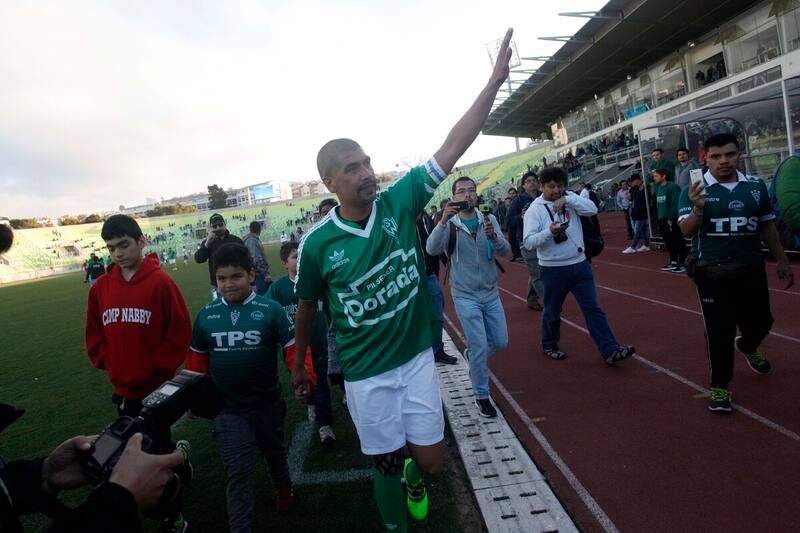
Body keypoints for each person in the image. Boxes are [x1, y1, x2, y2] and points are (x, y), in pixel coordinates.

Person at [292, 28, 514, 533]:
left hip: (414, 357)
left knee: (431, 461)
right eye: (353, 168)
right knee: (384, 464)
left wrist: (493, 83)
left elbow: (454, 145)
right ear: (331, 183)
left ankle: (415, 473)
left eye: (368, 162)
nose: (368, 172)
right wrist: (301, 364)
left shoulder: (401, 199)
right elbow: (307, 307)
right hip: (366, 371)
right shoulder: (318, 245)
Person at [185, 243, 313, 532]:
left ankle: (283, 491)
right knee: (238, 471)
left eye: (236, 276)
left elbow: (294, 349)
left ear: (251, 274)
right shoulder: (206, 316)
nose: (229, 284)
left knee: (275, 453)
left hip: (267, 403)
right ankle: (240, 526)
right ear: (215, 280)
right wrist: (192, 397)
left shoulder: (271, 310)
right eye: (222, 278)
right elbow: (196, 361)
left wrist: (303, 378)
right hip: (227, 409)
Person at [84, 214, 192, 533]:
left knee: (150, 456)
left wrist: (154, 369)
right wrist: (111, 362)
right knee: (123, 451)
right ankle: (181, 455)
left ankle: (175, 517)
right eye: (111, 247)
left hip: (157, 390)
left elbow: (179, 333)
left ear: (141, 241)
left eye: (124, 244)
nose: (118, 253)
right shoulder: (101, 288)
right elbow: (94, 334)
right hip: (123, 388)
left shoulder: (161, 283)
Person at [678, 133, 794, 413]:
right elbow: (686, 231)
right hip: (711, 272)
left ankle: (748, 345)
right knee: (719, 331)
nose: (724, 161)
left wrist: (782, 260)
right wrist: (698, 207)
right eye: (716, 156)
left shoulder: (755, 186)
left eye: (729, 154)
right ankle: (720, 385)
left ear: (739, 154)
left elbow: (767, 226)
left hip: (751, 268)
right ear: (706, 157)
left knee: (762, 322)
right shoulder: (694, 188)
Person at [523, 166, 635, 364]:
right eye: (551, 187)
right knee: (552, 311)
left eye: (560, 186)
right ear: (541, 187)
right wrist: (550, 231)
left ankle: (610, 350)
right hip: (552, 269)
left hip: (580, 264)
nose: (556, 190)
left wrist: (569, 198)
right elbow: (529, 242)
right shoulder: (534, 210)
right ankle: (549, 344)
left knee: (592, 308)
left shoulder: (570, 199)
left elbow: (592, 209)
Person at [426, 176, 510, 417]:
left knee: (500, 342)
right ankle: (482, 396)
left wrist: (494, 237)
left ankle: (473, 356)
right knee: (480, 346)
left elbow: (506, 252)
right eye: (461, 192)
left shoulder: (489, 218)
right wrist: (442, 220)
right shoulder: (450, 224)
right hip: (464, 296)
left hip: (491, 293)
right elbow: (432, 249)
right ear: (453, 198)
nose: (467, 195)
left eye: (471, 190)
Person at [267, 241, 337, 446]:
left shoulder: (317, 281)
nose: (300, 259)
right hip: (295, 351)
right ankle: (310, 402)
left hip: (320, 346)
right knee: (305, 384)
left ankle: (325, 427)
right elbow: (268, 311)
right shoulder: (279, 288)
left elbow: (330, 310)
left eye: (303, 255)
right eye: (295, 256)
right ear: (283, 262)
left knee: (322, 385)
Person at [416, 211, 458, 365]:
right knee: (417, 317)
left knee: (437, 314)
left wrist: (445, 260)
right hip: (413, 279)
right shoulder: (402, 222)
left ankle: (437, 350)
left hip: (430, 274)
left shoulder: (426, 218)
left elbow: (433, 242)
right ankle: (420, 352)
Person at [510, 171, 544, 310]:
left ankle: (531, 299)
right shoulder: (518, 200)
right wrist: (522, 216)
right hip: (526, 241)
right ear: (523, 185)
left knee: (535, 271)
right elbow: (509, 221)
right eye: (528, 181)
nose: (532, 182)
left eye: (534, 180)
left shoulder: (542, 198)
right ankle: (549, 300)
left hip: (542, 239)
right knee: (537, 273)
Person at [194, 213, 245, 300]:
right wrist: (207, 243)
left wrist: (252, 283)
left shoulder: (236, 240)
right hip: (217, 284)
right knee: (220, 310)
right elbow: (199, 259)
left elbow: (246, 260)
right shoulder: (208, 242)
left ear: (225, 224)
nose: (218, 227)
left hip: (236, 280)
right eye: (215, 226)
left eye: (220, 224)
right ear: (211, 228)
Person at [653, 168, 687, 272]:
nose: (654, 178)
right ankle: (673, 261)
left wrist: (671, 217)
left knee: (678, 240)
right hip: (662, 219)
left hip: (671, 219)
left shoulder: (672, 187)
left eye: (656, 176)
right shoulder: (658, 188)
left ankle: (683, 262)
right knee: (669, 242)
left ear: (664, 176)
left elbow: (675, 203)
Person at [622, 174, 651, 253]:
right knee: (643, 230)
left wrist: (642, 188)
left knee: (637, 230)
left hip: (641, 212)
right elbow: (629, 197)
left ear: (637, 180)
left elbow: (644, 196)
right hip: (637, 212)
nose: (631, 184)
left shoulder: (644, 186)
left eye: (632, 182)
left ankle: (633, 246)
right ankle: (646, 245)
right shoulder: (634, 188)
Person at [243, 221, 272, 295]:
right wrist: (265, 274)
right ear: (260, 229)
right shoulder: (252, 240)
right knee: (263, 297)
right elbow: (256, 259)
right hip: (258, 275)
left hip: (256, 274)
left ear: (250, 229)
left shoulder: (250, 240)